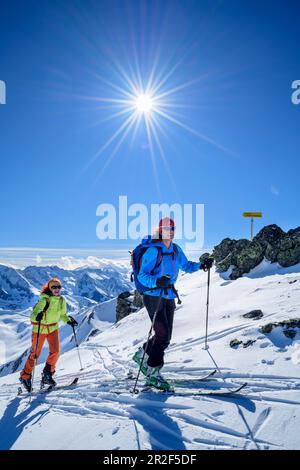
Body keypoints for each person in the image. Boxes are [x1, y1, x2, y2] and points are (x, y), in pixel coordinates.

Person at [132, 217, 213, 390]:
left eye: (172, 228)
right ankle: (153, 373)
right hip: (152, 295)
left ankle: (142, 354)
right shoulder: (153, 251)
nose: (170, 231)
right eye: (166, 228)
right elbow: (142, 276)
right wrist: (157, 282)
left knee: (166, 337)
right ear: (160, 231)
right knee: (161, 333)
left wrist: (202, 265)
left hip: (168, 295)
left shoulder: (175, 250)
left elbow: (187, 266)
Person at [19, 278, 78, 391]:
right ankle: (25, 376)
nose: (56, 289)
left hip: (52, 328)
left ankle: (47, 375)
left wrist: (68, 320)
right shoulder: (44, 300)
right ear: (49, 288)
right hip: (40, 329)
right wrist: (37, 316)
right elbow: (32, 315)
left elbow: (62, 315)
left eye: (58, 287)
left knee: (55, 352)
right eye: (54, 287)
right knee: (35, 354)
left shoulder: (61, 300)